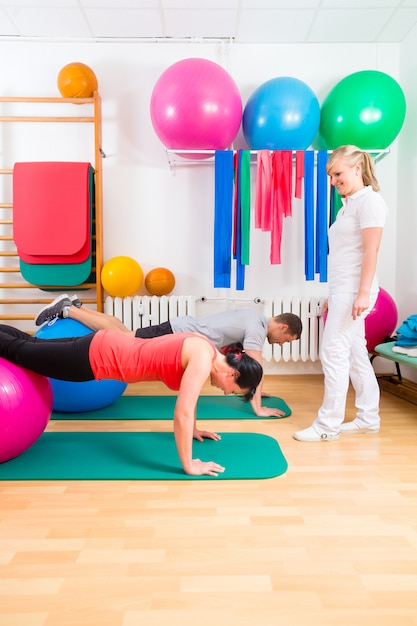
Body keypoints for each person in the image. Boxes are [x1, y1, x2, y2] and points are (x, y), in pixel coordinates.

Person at [0, 323, 262, 476]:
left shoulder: (205, 348)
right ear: (233, 372)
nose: (226, 392)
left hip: (104, 345)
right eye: (233, 389)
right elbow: (182, 412)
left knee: (28, 345)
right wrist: (190, 464)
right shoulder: (203, 360)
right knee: (20, 351)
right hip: (96, 359)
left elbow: (189, 402)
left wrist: (193, 429)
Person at [35, 299, 302, 418]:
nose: (281, 344)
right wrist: (258, 407)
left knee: (125, 333)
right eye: (286, 340)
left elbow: (249, 369)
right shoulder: (257, 327)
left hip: (181, 331)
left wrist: (255, 387)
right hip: (179, 336)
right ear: (282, 328)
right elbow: (256, 364)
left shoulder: (254, 317)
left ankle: (74, 308)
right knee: (123, 337)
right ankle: (68, 310)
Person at [294, 145, 388, 442]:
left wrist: (361, 294)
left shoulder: (370, 201)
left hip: (354, 291)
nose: (333, 181)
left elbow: (371, 251)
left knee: (333, 352)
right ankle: (368, 418)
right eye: (330, 176)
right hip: (343, 290)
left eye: (337, 173)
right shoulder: (348, 204)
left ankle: (327, 426)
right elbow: (346, 255)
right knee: (356, 353)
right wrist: (334, 295)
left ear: (357, 168)